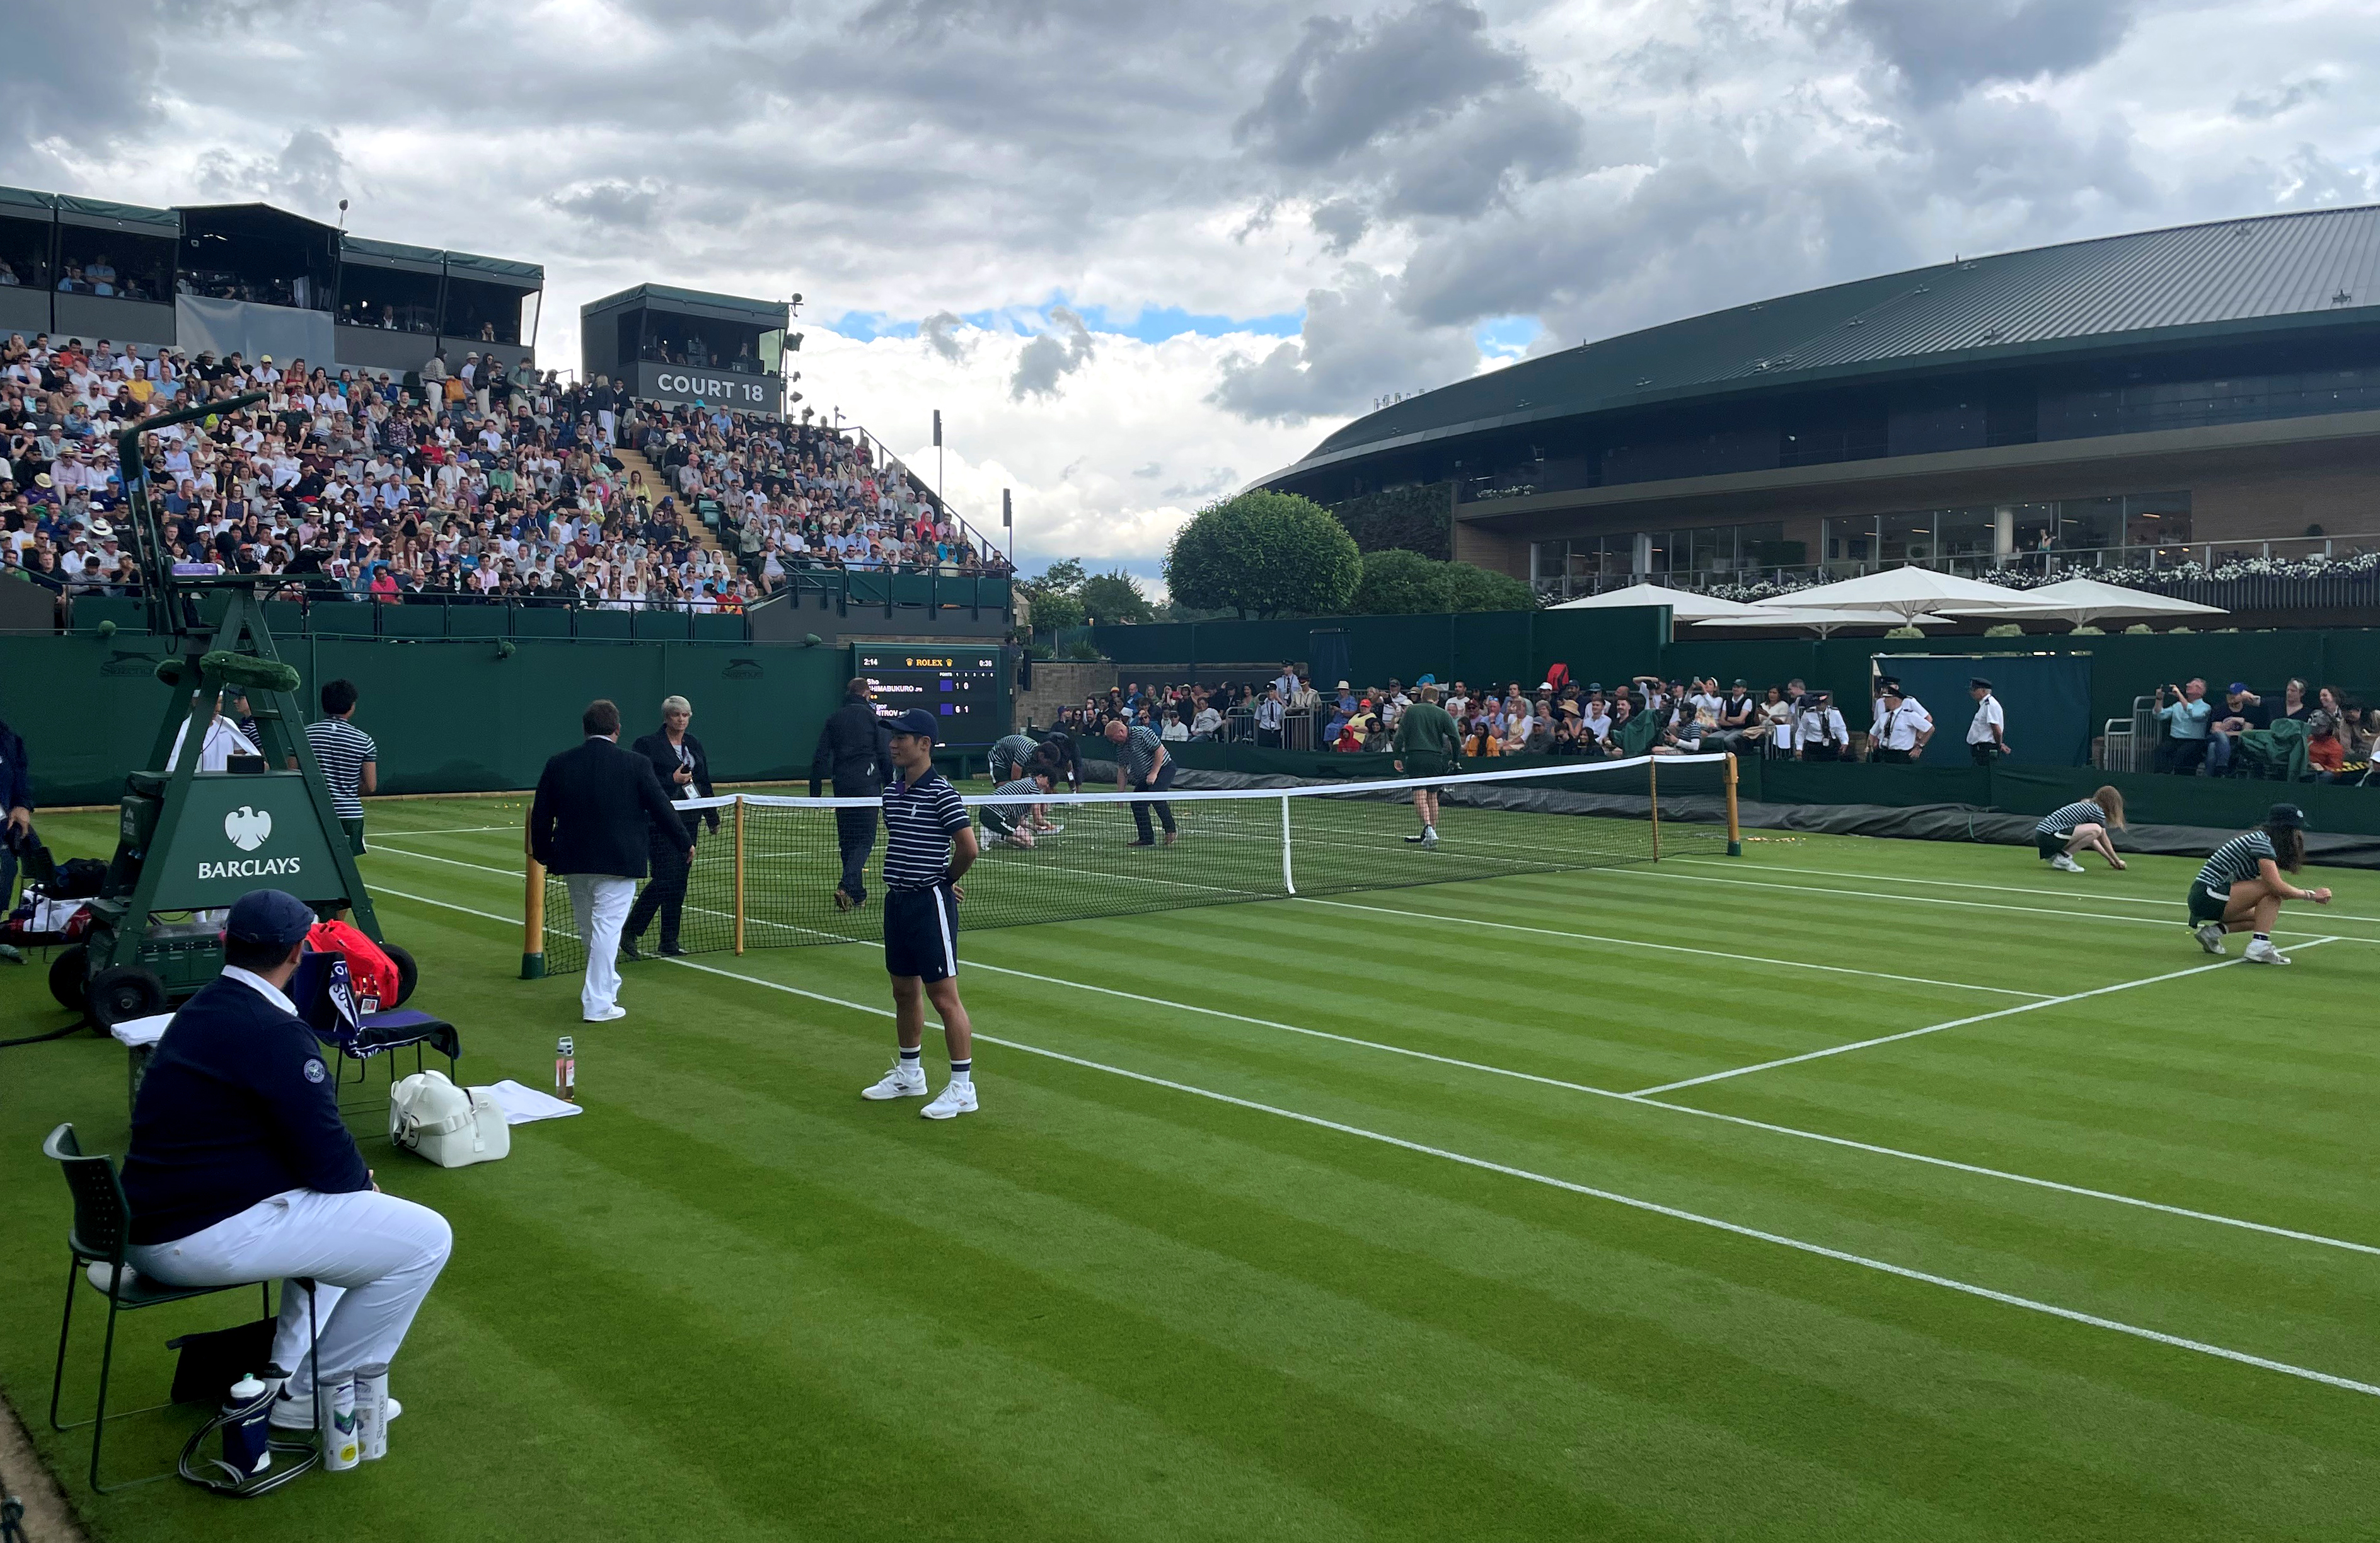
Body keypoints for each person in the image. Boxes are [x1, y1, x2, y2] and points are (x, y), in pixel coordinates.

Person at [120, 890, 452, 1433]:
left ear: (227, 944)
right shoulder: (273, 1029)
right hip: (195, 1236)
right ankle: (315, 1397)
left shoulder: (199, 1008)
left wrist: (348, 1188)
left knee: (355, 1226)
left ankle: (290, 1372)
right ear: (300, 951)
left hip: (154, 1223)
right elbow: (328, 1157)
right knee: (426, 1239)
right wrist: (358, 1185)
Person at [529, 699, 689, 1022]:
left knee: (592, 930)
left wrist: (544, 852)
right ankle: (598, 1003)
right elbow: (661, 807)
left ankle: (606, 985)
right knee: (604, 930)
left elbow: (542, 814)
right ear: (617, 730)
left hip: (574, 861)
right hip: (619, 860)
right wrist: (684, 842)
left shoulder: (559, 763)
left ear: (585, 730)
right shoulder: (636, 764)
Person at [859, 709, 981, 1119]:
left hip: (929, 905)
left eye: (903, 737)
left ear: (924, 744)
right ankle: (910, 1075)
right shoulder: (891, 793)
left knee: (945, 999)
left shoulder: (943, 792)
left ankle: (964, 1089)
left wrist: (943, 881)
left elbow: (968, 848)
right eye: (892, 737)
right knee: (903, 992)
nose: (893, 743)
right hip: (897, 903)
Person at [623, 695, 719, 959]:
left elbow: (704, 781)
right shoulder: (646, 745)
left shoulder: (694, 744)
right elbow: (641, 781)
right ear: (667, 717)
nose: (682, 719)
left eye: (686, 715)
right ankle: (630, 930)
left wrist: (712, 817)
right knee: (666, 878)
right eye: (677, 715)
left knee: (679, 882)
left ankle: (669, 941)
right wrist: (671, 779)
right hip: (659, 819)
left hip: (689, 820)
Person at [2187, 803, 2330, 963]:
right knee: (2271, 890)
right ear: (2285, 830)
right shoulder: (2261, 842)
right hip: (2208, 895)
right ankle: (2259, 948)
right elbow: (2276, 886)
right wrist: (2311, 895)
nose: (2299, 835)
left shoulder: (2262, 841)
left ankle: (2212, 933)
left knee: (2262, 916)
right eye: (2295, 830)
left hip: (2206, 898)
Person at [810, 677, 894, 911]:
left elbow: (819, 757)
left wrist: (814, 794)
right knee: (864, 840)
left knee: (848, 841)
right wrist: (891, 789)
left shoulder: (834, 719)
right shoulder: (874, 719)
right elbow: (885, 757)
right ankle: (846, 885)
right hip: (867, 788)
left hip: (843, 788)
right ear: (866, 694)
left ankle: (857, 894)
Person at [303, 679, 377, 854]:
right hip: (350, 815)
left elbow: (293, 773)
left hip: (314, 813)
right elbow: (370, 785)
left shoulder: (304, 735)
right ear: (352, 707)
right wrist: (346, 790)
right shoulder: (364, 740)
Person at [1390, 683, 1461, 848]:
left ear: (1422, 697)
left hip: (1416, 757)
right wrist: (1455, 760)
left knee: (1420, 795)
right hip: (1436, 759)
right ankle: (1431, 833)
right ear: (1436, 700)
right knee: (1432, 795)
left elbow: (1399, 736)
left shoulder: (1412, 711)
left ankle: (1429, 829)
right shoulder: (1443, 714)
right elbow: (1455, 739)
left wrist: (1397, 757)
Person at [1106, 716, 1176, 846]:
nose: (1112, 741)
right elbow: (1122, 770)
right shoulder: (1121, 748)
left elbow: (1159, 750)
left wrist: (1154, 773)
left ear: (1121, 732)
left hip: (1164, 768)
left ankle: (1170, 830)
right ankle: (1146, 839)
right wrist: (1120, 794)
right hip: (1145, 776)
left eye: (1112, 738)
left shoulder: (1142, 733)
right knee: (1137, 802)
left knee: (1156, 795)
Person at [166, 687, 260, 772]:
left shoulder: (228, 724)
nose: (218, 709)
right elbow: (172, 768)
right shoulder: (183, 732)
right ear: (195, 702)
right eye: (213, 703)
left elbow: (239, 751)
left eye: (220, 702)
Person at [2035, 786, 2127, 872]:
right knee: (2097, 829)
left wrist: (2111, 860)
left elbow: (2092, 840)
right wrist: (2117, 860)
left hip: (2043, 835)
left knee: (2095, 831)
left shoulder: (2089, 806)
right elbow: (2103, 838)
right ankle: (2063, 858)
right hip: (2048, 835)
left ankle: (2059, 856)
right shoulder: (2096, 811)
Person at [0, 711, 29, 961]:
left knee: (5, 872)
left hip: (1, 823)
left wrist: (21, 805)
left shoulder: (7, 738)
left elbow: (20, 776)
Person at [980, 766, 1055, 848]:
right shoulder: (1034, 791)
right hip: (994, 814)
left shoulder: (1027, 781)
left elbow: (1021, 822)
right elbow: (1038, 819)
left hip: (988, 812)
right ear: (1040, 777)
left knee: (1026, 837)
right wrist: (1049, 825)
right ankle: (997, 834)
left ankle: (996, 831)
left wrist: (1038, 828)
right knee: (1029, 843)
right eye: (1048, 782)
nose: (1047, 786)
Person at [2154, 679, 2213, 775]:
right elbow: (2160, 715)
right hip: (2175, 739)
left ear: (2201, 691)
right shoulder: (2177, 706)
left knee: (2183, 754)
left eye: (2194, 685)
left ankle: (2181, 779)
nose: (2188, 685)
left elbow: (2194, 715)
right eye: (2189, 683)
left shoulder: (2206, 707)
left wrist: (2179, 695)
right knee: (2161, 750)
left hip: (2194, 741)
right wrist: (2159, 699)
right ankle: (2162, 777)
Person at [1873, 683, 1932, 763]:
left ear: (1895, 699)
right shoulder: (1883, 710)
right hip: (1884, 751)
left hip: (1901, 754)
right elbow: (1876, 726)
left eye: (1887, 698)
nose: (1884, 700)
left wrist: (1919, 742)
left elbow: (1929, 723)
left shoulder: (1909, 708)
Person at [1965, 677, 2010, 765]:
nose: (1971, 693)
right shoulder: (1984, 705)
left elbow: (1996, 729)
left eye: (1974, 690)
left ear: (1983, 691)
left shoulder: (1990, 705)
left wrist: (1998, 745)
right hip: (1980, 750)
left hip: (1985, 750)